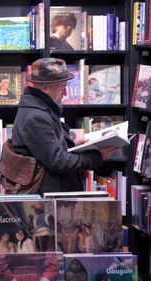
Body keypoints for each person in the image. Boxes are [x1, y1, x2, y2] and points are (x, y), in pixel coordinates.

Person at [11, 58, 116, 194]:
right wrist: (97, 156)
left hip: (51, 195)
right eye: (62, 88)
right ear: (45, 87)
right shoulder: (36, 117)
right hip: (46, 202)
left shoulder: (41, 108)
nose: (65, 93)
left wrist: (71, 144)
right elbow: (58, 161)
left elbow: (48, 150)